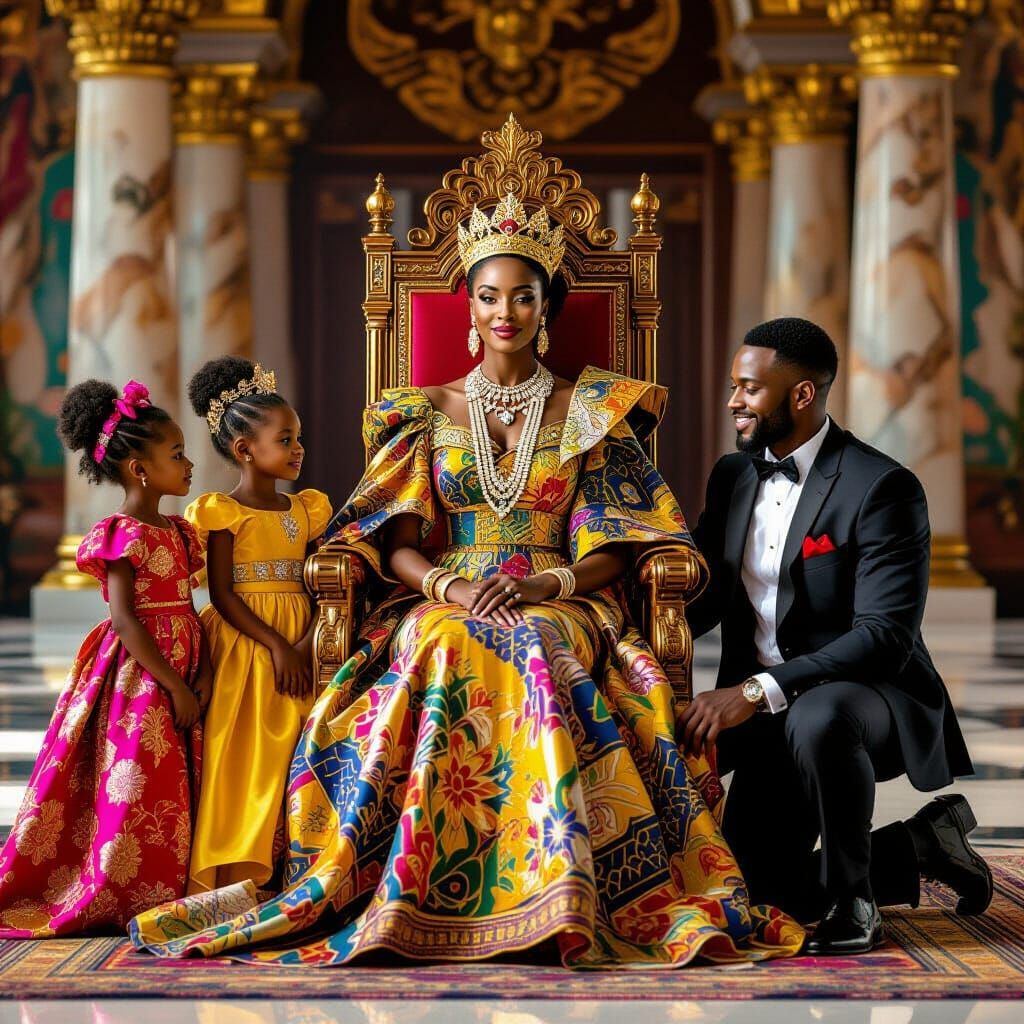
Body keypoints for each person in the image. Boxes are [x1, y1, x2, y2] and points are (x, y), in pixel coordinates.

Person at [129, 193, 803, 968]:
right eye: (489, 296)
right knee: (448, 639)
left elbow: (625, 540)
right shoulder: (424, 411)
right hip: (444, 592)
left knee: (536, 641)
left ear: (545, 306)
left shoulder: (592, 409)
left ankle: (554, 879)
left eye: (522, 295)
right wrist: (448, 589)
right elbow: (390, 539)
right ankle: (433, 876)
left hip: (563, 593)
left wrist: (550, 587)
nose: (505, 310)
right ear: (469, 308)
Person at [682, 317, 993, 956]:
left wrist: (757, 689)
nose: (734, 401)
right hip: (768, 710)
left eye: (748, 389)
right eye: (734, 386)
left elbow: (884, 637)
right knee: (760, 892)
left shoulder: (882, 487)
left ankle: (856, 903)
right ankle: (921, 844)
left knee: (820, 716)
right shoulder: (733, 476)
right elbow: (706, 599)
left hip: (864, 694)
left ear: (801, 395)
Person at [0, 379, 207, 936]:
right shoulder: (122, 534)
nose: (189, 464)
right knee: (134, 774)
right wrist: (174, 684)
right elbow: (124, 619)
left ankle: (169, 877)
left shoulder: (183, 532)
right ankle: (116, 879)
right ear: (140, 470)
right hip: (139, 675)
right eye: (177, 454)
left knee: (174, 777)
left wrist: (199, 671)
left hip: (183, 658)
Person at [182, 357, 332, 894]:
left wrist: (310, 638)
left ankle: (293, 864)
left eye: (298, 438)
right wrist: (275, 646)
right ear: (246, 451)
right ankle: (235, 865)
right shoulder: (223, 512)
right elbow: (220, 593)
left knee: (295, 744)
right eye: (286, 439)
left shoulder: (306, 509)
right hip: (246, 644)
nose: (298, 449)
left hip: (300, 637)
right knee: (245, 750)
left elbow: (318, 583)